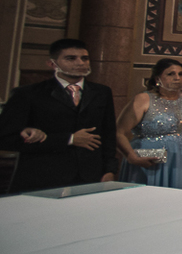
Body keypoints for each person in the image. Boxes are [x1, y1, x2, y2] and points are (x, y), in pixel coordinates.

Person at [0, 38, 118, 193]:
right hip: (43, 175)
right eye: (71, 58)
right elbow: (5, 138)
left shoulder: (102, 92)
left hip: (90, 176)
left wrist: (110, 170)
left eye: (85, 58)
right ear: (52, 64)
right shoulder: (28, 94)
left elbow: (108, 133)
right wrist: (69, 139)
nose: (80, 63)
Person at [116, 59, 182, 189]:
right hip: (149, 159)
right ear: (158, 77)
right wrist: (131, 157)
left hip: (181, 158)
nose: (177, 78)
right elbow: (119, 132)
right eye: (170, 74)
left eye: (180, 74)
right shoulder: (144, 99)